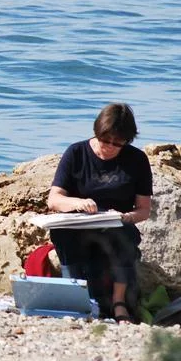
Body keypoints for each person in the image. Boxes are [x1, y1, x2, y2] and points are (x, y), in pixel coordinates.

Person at [47, 102, 152, 323]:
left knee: (124, 235)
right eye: (105, 141)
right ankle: (75, 297)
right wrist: (77, 202)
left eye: (118, 143)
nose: (110, 147)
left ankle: (119, 303)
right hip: (79, 223)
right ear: (97, 132)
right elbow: (54, 199)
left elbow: (143, 210)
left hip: (115, 224)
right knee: (61, 233)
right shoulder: (76, 153)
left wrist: (126, 217)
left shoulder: (137, 160)